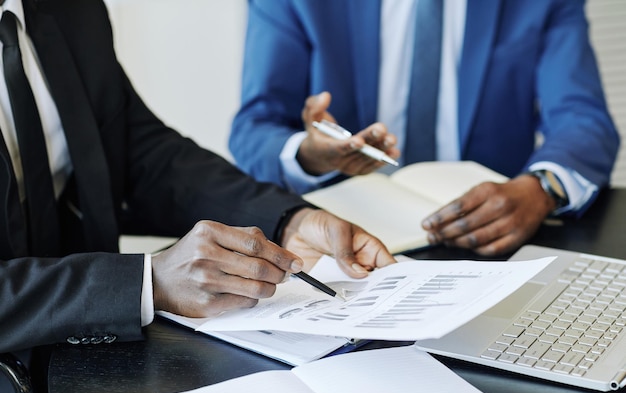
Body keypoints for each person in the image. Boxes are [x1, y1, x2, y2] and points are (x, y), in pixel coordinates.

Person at [0, 0, 396, 393]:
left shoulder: (68, 10)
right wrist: (146, 282)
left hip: (85, 360)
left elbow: (141, 154)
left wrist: (287, 219)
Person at [229, 0, 620, 257]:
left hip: (489, 243)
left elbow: (583, 119)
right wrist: (308, 154)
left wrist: (542, 189)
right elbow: (254, 127)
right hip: (337, 244)